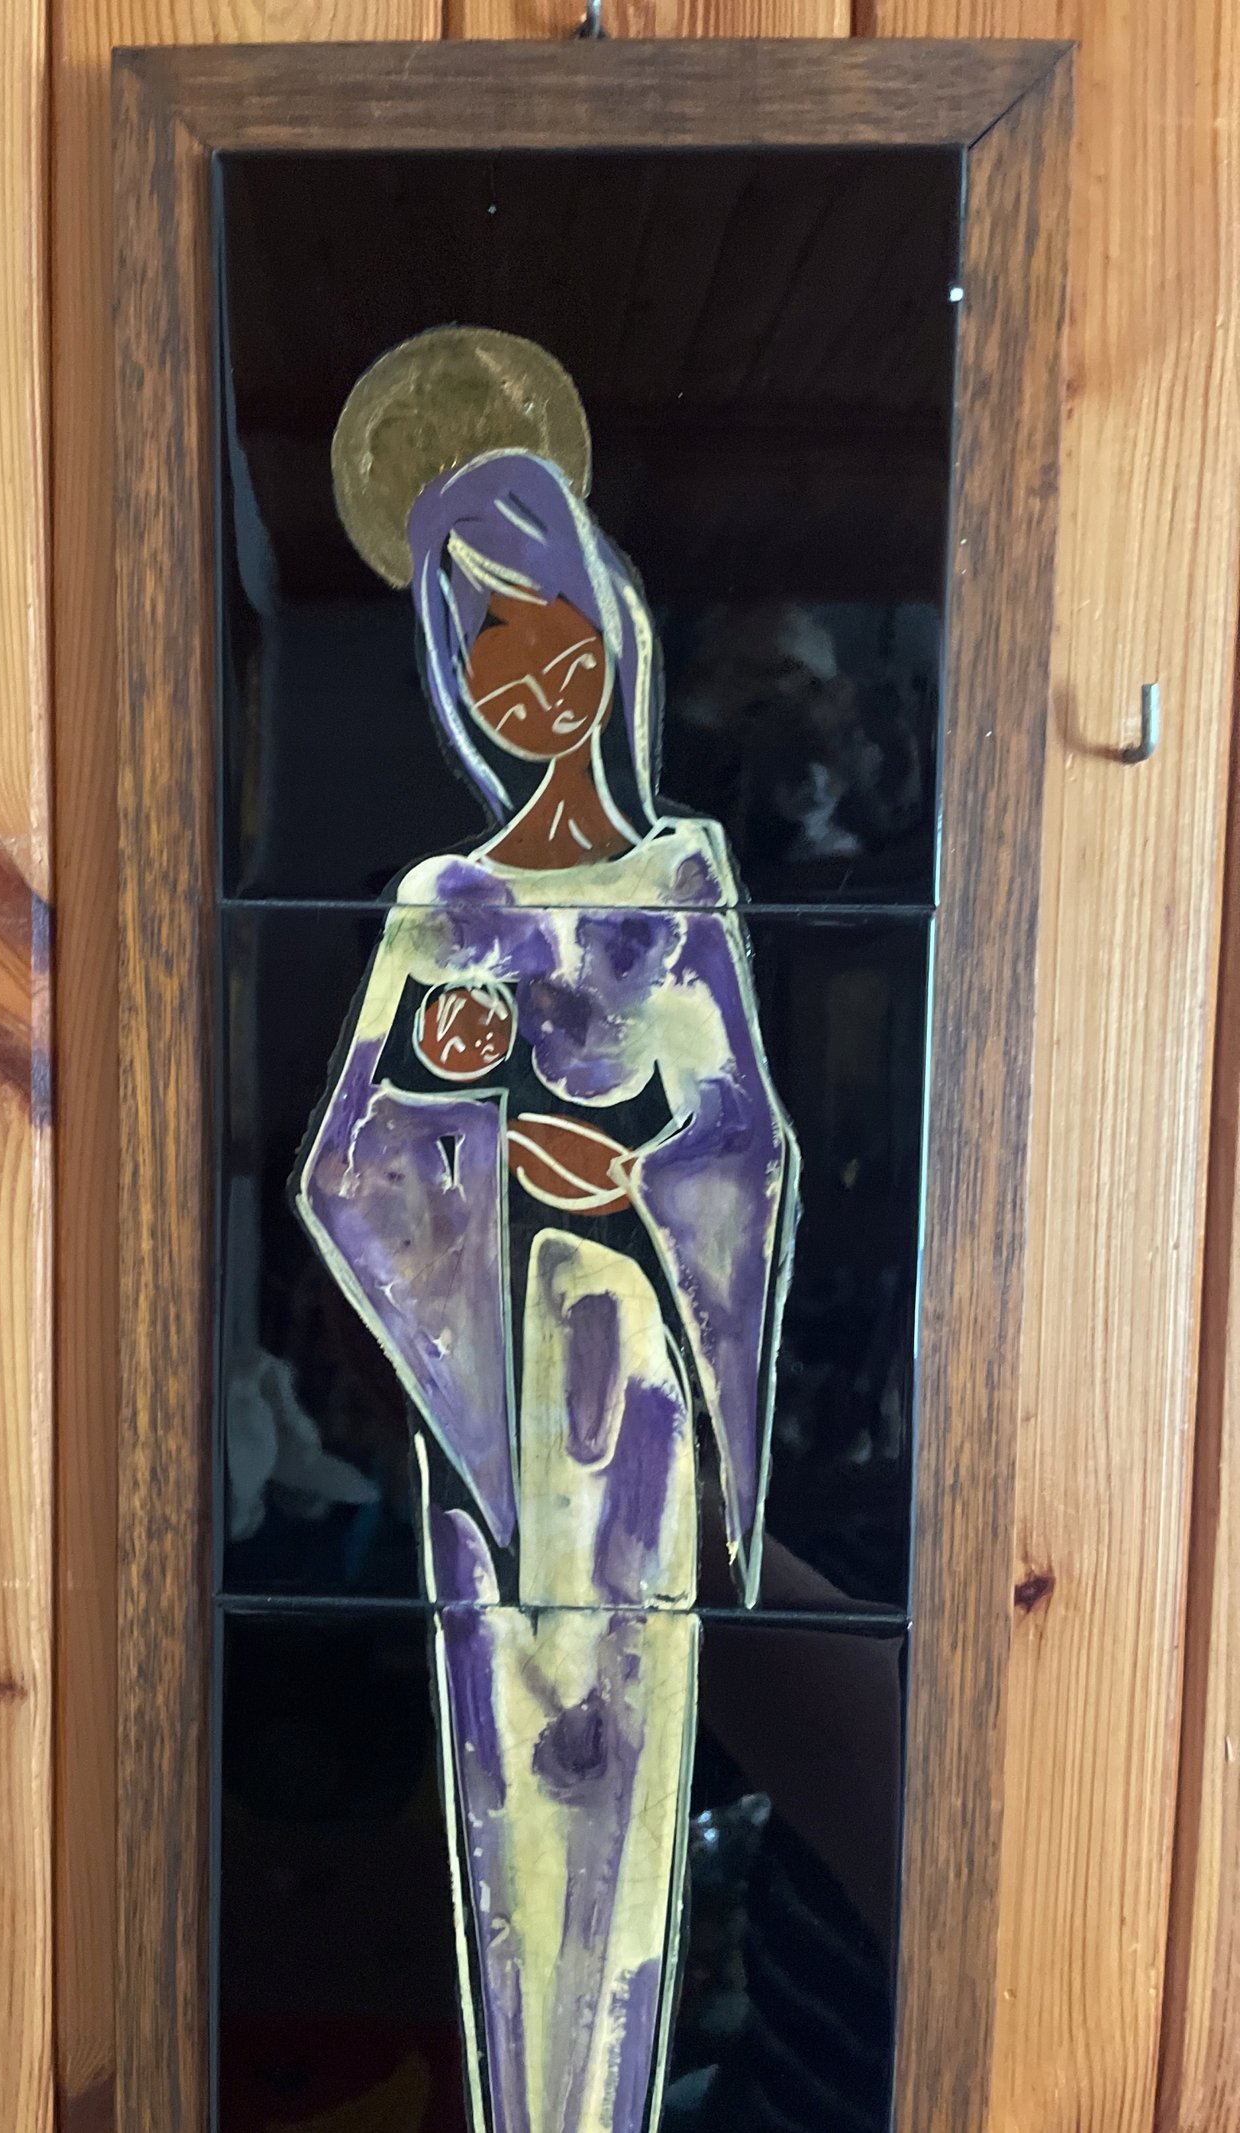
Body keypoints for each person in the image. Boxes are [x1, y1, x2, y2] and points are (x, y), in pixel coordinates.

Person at [297, 332, 798, 2133]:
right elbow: (352, 1171)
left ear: (607, 623)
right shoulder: (445, 903)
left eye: (549, 626)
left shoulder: (682, 878)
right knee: (507, 1785)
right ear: (455, 670)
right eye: (484, 644)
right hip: (493, 1412)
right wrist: (470, 1130)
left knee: (625, 1760)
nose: (527, 675)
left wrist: (622, 1179)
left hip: (633, 1391)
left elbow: (741, 1141)